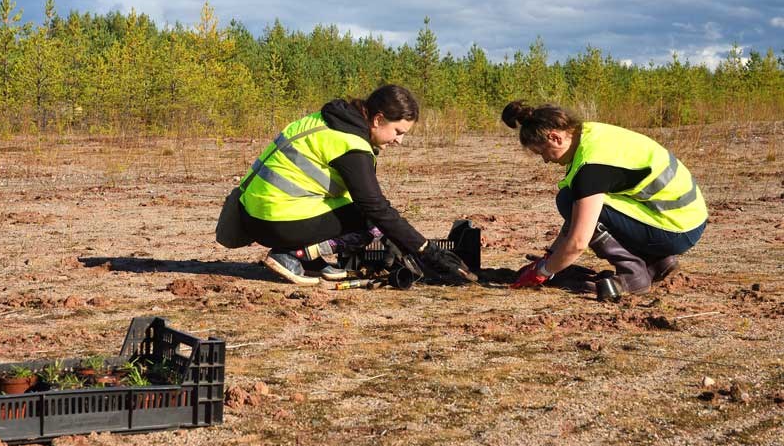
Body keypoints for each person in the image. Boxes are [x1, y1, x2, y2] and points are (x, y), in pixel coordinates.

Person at [237, 84, 476, 286]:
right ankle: (291, 254)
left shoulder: (333, 121)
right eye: (398, 131)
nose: (399, 141)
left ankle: (308, 258)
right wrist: (427, 251)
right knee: (370, 223)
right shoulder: (351, 144)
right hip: (274, 220)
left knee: (367, 213)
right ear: (378, 119)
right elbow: (375, 208)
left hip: (252, 213)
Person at [501, 101, 707, 301]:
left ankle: (634, 275)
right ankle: (657, 261)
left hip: (676, 229)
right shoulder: (589, 133)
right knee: (572, 200)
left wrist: (543, 272)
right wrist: (550, 256)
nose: (546, 160)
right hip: (684, 218)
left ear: (555, 138)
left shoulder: (590, 166)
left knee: (571, 201)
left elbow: (578, 242)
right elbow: (577, 216)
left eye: (543, 152)